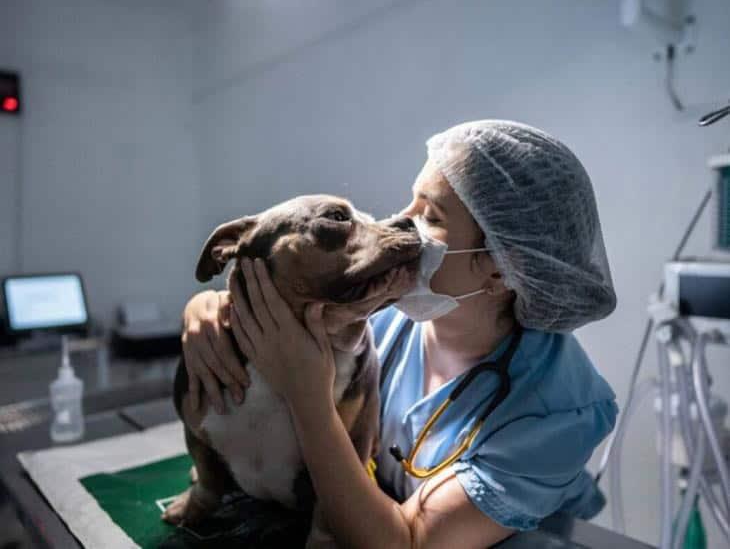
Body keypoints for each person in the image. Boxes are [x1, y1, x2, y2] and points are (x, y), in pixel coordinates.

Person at [180, 120, 619, 548]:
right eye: (411, 203)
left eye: (431, 215)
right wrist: (209, 311)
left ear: (503, 267)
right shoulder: (387, 320)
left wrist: (307, 397)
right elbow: (297, 300)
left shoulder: (556, 414)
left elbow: (408, 542)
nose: (401, 224)